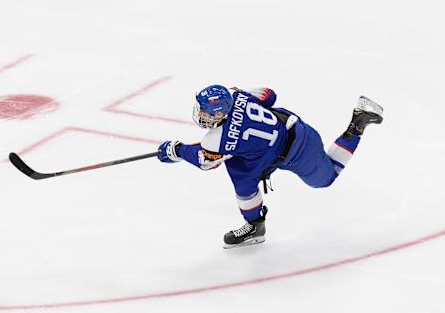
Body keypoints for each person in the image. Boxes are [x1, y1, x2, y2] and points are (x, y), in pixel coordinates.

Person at [157, 85, 383, 249]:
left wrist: (177, 151)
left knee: (326, 178)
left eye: (207, 113)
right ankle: (255, 226)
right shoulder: (237, 96)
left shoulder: (216, 139)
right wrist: (245, 97)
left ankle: (358, 123)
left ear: (221, 112)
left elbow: (206, 161)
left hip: (298, 149)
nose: (202, 116)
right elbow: (269, 94)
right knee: (240, 172)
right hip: (282, 136)